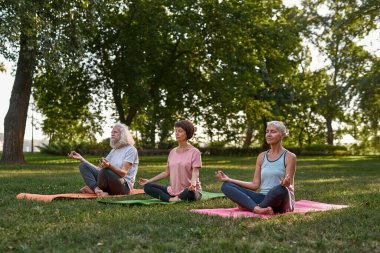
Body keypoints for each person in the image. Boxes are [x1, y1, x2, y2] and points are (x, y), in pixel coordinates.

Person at [215, 121, 296, 214]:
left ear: (282, 134)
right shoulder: (261, 156)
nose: (268, 135)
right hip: (263, 198)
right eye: (267, 131)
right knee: (226, 186)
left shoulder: (290, 156)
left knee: (279, 189)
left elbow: (290, 186)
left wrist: (286, 184)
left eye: (273, 132)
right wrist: (229, 179)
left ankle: (249, 206)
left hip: (282, 199)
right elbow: (254, 185)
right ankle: (257, 209)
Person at [138, 120, 202, 202]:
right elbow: (166, 172)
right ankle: (171, 199)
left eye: (180, 131)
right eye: (175, 131)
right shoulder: (173, 152)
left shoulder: (195, 152)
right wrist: (149, 180)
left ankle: (177, 197)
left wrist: (193, 184)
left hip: (191, 190)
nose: (176, 133)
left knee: (189, 193)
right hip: (173, 191)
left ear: (188, 133)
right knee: (148, 187)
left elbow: (195, 171)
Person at [68, 123, 139, 196]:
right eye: (112, 132)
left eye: (115, 132)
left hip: (123, 187)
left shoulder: (131, 150)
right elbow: (99, 170)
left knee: (106, 171)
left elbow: (123, 173)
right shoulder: (114, 151)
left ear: (123, 134)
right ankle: (96, 189)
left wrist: (109, 166)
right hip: (108, 183)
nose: (112, 134)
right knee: (83, 166)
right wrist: (82, 159)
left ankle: (94, 190)